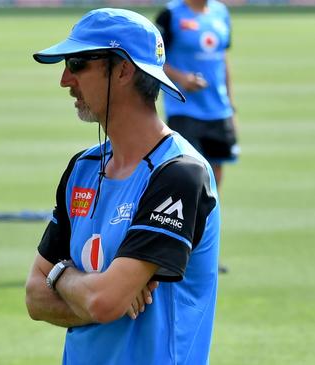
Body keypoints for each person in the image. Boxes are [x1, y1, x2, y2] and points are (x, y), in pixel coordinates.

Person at [24, 8, 220, 365]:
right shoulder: (82, 168)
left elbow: (103, 301)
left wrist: (61, 276)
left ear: (124, 69)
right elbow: (35, 297)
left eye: (77, 63)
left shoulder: (179, 174)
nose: (65, 79)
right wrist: (88, 290)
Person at [155, 0, 237, 273]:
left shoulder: (220, 12)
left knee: (213, 189)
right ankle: (179, 254)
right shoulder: (170, 15)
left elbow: (224, 59)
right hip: (185, 110)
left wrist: (231, 107)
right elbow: (155, 60)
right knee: (185, 185)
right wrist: (182, 78)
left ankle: (206, 255)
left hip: (218, 112)